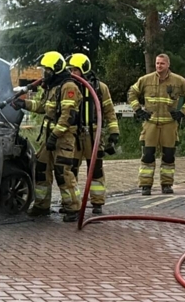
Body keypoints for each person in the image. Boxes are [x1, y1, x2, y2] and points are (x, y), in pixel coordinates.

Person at [12, 51, 83, 221]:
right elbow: (43, 106)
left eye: (47, 70)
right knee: (41, 170)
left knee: (62, 172)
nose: (44, 74)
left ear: (56, 69)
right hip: (49, 136)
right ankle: (42, 206)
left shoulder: (69, 87)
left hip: (63, 138)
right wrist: (24, 103)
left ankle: (73, 208)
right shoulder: (52, 86)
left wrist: (55, 136)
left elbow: (68, 116)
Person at [128, 53, 185, 195]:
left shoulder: (178, 81)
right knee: (147, 155)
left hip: (169, 125)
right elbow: (132, 93)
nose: (159, 66)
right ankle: (146, 186)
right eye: (157, 63)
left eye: (162, 63)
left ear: (168, 65)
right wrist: (138, 110)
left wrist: (182, 112)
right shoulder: (145, 80)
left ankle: (166, 185)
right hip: (150, 124)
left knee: (169, 156)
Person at [65, 53, 119, 215]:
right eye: (71, 70)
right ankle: (72, 204)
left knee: (95, 169)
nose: (73, 73)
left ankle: (97, 202)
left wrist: (114, 132)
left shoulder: (100, 88)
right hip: (74, 135)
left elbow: (109, 111)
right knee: (71, 169)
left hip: (94, 134)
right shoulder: (69, 87)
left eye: (75, 70)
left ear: (84, 69)